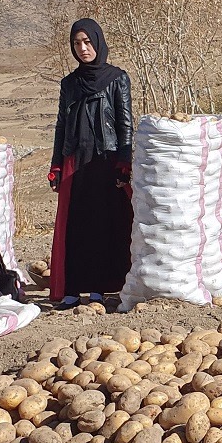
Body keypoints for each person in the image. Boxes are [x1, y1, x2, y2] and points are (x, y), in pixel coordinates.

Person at [47, 18, 134, 306]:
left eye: (87, 42)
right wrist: (56, 165)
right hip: (75, 160)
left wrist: (124, 162)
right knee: (74, 225)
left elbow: (125, 124)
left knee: (103, 223)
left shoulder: (117, 78)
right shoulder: (69, 84)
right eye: (76, 43)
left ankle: (99, 285)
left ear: (97, 41)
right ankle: (72, 288)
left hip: (105, 160)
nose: (82, 48)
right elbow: (61, 125)